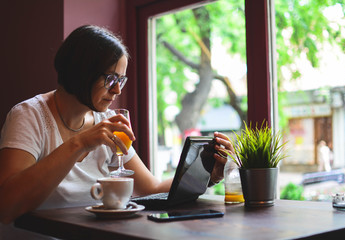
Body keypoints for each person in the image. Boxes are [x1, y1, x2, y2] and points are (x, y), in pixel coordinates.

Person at [0, 25, 233, 237]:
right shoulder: (29, 115)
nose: (117, 90)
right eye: (111, 79)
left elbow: (150, 188)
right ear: (81, 71)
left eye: (122, 80)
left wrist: (206, 176)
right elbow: (6, 207)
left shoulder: (107, 121)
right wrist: (80, 143)